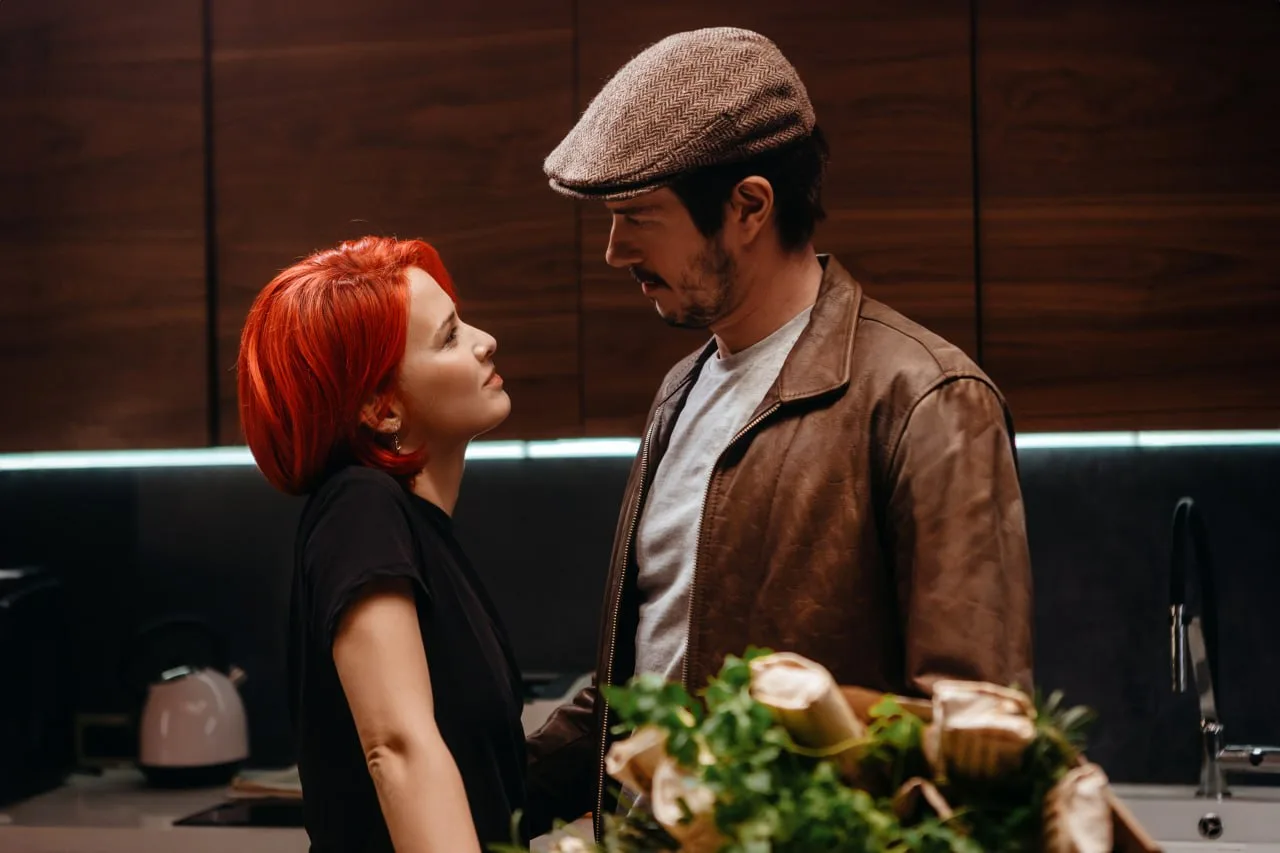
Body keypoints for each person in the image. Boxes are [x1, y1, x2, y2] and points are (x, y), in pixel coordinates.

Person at [524, 27, 1034, 840]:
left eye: (638, 218)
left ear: (750, 207)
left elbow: (975, 732)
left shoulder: (927, 398)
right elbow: (642, 685)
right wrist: (450, 779)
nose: (615, 252)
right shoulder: (680, 392)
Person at [237, 236, 526, 852]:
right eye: (449, 337)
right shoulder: (361, 507)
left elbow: (490, 786)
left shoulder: (424, 533)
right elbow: (396, 748)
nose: (484, 341)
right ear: (382, 409)